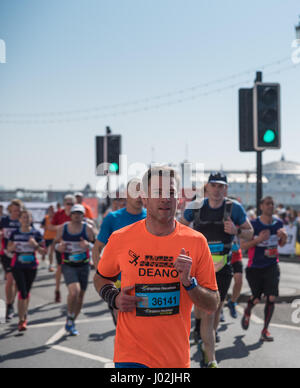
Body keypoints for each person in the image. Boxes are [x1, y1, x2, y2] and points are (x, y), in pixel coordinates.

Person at [94, 166, 219, 368]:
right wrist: (114, 297)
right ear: (144, 198)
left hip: (174, 360)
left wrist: (189, 283)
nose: (165, 198)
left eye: (171, 192)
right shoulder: (120, 239)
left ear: (178, 198)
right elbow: (101, 277)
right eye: (157, 193)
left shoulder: (196, 242)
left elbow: (212, 303)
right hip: (131, 356)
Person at [180, 172, 253, 367]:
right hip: (199, 266)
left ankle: (208, 352)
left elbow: (250, 232)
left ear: (226, 189)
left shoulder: (233, 208)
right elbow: (178, 229)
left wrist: (237, 231)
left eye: (221, 186)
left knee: (214, 309)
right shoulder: (195, 206)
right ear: (207, 187)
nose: (217, 189)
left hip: (222, 268)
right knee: (201, 308)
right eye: (214, 185)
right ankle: (206, 345)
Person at [92, 179, 147, 325]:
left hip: (146, 282)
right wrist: (102, 274)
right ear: (126, 195)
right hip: (119, 282)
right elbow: (97, 247)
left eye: (142, 192)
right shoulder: (112, 218)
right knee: (123, 326)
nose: (139, 196)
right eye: (135, 192)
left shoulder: (151, 217)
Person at [241, 196, 287, 342]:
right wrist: (258, 240)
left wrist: (284, 237)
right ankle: (248, 311)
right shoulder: (253, 224)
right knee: (256, 298)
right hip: (254, 267)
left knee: (271, 297)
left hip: (272, 266)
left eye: (272, 204)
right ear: (261, 206)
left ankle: (265, 330)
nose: (270, 206)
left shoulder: (278, 223)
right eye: (267, 204)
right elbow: (243, 246)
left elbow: (282, 244)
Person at [54, 204, 95, 336]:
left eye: (80, 213)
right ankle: (70, 316)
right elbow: (54, 243)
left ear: (83, 215)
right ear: (70, 215)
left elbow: (97, 246)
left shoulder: (87, 229)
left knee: (81, 295)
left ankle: (71, 320)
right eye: (75, 213)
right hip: (68, 265)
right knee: (74, 292)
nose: (77, 216)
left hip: (83, 265)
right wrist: (58, 247)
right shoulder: (63, 228)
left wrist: (88, 245)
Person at [7, 210, 45, 332]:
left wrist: (35, 245)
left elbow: (43, 252)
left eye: (28, 217)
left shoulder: (36, 233)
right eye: (23, 217)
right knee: (22, 292)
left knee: (27, 292)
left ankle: (24, 314)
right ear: (20, 220)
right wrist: (12, 248)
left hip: (31, 266)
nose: (26, 219)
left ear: (31, 220)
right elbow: (8, 249)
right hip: (17, 266)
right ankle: (21, 320)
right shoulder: (14, 233)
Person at [49, 195, 75, 303]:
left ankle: (73, 291)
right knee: (60, 268)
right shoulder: (59, 213)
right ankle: (57, 290)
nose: (69, 206)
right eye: (68, 204)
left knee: (74, 269)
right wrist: (62, 227)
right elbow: (50, 227)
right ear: (64, 204)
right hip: (61, 246)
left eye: (72, 204)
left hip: (74, 246)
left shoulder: (77, 214)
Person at [0, 200, 23, 322]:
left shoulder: (23, 220)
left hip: (20, 254)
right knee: (10, 279)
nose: (17, 212)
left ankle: (12, 302)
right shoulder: (4, 220)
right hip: (6, 254)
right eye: (14, 210)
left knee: (17, 283)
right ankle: (9, 305)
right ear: (10, 210)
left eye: (18, 210)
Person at [41, 205, 57, 272]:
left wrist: (54, 228)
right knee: (45, 250)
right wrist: (47, 227)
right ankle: (43, 254)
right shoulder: (46, 218)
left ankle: (50, 265)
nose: (52, 211)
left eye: (53, 210)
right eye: (51, 210)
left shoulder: (56, 218)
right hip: (47, 237)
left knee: (51, 252)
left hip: (54, 237)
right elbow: (41, 226)